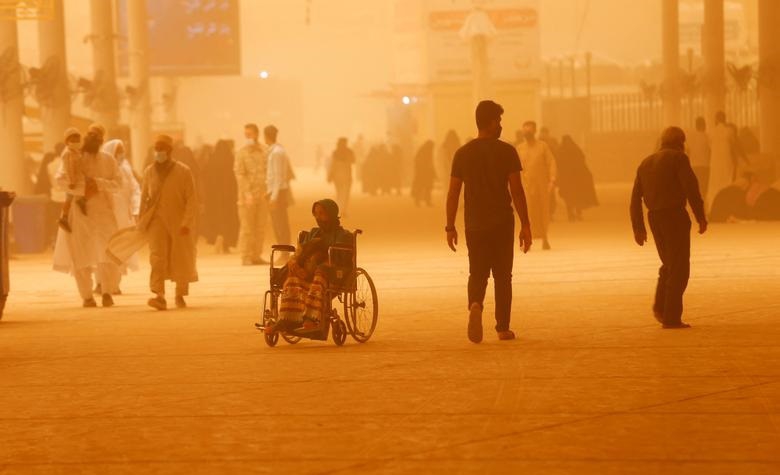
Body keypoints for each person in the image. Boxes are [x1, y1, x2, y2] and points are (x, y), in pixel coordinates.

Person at [446, 100, 533, 344]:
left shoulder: (462, 154)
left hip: (474, 224)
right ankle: (503, 328)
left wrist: (449, 226)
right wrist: (526, 224)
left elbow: (453, 192)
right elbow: (516, 191)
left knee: (477, 272)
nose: (501, 125)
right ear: (493, 122)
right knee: (503, 276)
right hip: (502, 223)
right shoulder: (507, 152)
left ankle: (475, 303)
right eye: (500, 120)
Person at [630, 126, 707, 329]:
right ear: (681, 142)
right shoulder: (679, 159)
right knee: (679, 268)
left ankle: (660, 307)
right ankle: (671, 317)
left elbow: (635, 198)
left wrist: (638, 227)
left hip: (655, 218)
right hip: (674, 217)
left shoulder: (646, 162)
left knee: (669, 264)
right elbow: (691, 187)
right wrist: (701, 216)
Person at [52, 125, 122, 308]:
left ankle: (106, 292)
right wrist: (83, 188)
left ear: (102, 140)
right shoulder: (73, 157)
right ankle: (87, 296)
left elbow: (118, 184)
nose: (93, 139)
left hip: (103, 212)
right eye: (90, 135)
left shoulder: (108, 160)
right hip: (79, 212)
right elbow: (60, 180)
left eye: (96, 136)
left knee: (107, 253)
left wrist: (97, 184)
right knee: (80, 255)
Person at [265, 199, 353, 336]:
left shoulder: (343, 235)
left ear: (331, 214)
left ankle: (310, 318)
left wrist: (320, 258)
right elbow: (300, 254)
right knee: (291, 278)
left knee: (320, 272)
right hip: (307, 273)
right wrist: (296, 265)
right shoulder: (313, 233)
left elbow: (340, 259)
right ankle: (287, 319)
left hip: (330, 275)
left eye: (322, 214)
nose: (318, 217)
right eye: (316, 214)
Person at [140, 135, 199, 311]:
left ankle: (180, 294)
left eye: (162, 150)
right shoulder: (149, 171)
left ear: (169, 152)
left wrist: (187, 222)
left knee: (180, 257)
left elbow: (191, 200)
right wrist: (142, 220)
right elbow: (144, 198)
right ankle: (159, 295)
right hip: (157, 221)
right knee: (157, 257)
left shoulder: (183, 171)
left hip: (179, 221)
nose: (158, 153)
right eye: (156, 150)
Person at [100, 139, 141, 293]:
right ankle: (103, 283)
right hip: (106, 215)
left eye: (122, 151)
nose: (121, 155)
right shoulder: (103, 169)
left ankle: (115, 283)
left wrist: (136, 208)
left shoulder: (126, 168)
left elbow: (134, 188)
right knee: (105, 250)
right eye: (118, 152)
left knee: (120, 249)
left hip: (123, 215)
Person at [516, 121, 556, 250]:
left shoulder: (542, 146)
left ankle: (545, 238)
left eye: (529, 131)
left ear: (534, 131)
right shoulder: (520, 149)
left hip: (541, 185)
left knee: (543, 212)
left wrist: (552, 179)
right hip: (526, 186)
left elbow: (551, 162)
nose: (526, 133)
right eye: (524, 131)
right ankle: (526, 240)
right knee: (526, 214)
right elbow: (515, 168)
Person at [235, 123, 269, 266]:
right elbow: (240, 174)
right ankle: (246, 256)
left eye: (250, 134)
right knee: (247, 228)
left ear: (256, 134)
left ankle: (256, 255)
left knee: (260, 228)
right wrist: (247, 193)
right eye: (246, 135)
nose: (247, 137)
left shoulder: (265, 151)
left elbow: (269, 171)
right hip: (246, 198)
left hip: (263, 196)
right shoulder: (241, 152)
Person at [202, 139, 239, 253]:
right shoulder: (230, 160)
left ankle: (217, 238)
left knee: (216, 219)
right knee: (228, 220)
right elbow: (235, 179)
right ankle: (226, 245)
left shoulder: (212, 160)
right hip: (228, 197)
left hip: (214, 198)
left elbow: (206, 179)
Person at [556, 135, 599, 222]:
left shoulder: (561, 150)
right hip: (576, 179)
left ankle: (570, 215)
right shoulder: (575, 149)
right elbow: (582, 160)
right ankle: (578, 213)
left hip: (566, 179)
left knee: (568, 198)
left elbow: (558, 164)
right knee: (577, 197)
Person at [265, 125, 293, 247]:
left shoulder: (276, 153)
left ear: (266, 136)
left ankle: (284, 251)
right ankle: (283, 250)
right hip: (278, 191)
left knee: (280, 224)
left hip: (278, 193)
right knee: (280, 223)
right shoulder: (278, 150)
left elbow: (277, 176)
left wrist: (273, 197)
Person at [56, 128, 88, 233]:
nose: (76, 142)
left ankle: (80, 201)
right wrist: (71, 182)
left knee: (72, 196)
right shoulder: (67, 153)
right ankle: (64, 218)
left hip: (78, 178)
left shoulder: (75, 151)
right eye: (73, 140)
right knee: (69, 198)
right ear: (67, 141)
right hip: (71, 180)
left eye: (77, 139)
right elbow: (69, 169)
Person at [328, 137, 355, 214]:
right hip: (347, 174)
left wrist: (330, 175)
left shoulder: (335, 152)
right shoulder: (349, 151)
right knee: (346, 193)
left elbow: (332, 165)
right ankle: (343, 209)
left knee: (339, 193)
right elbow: (353, 160)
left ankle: (340, 209)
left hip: (337, 176)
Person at [687, 117, 711, 201]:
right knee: (704, 186)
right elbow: (711, 150)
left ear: (696, 126)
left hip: (694, 165)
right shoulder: (707, 137)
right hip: (705, 165)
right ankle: (703, 202)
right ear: (703, 125)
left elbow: (687, 151)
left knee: (696, 185)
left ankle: (696, 201)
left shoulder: (690, 138)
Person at [411, 140, 436, 206]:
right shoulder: (424, 151)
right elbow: (420, 162)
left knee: (427, 187)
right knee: (422, 187)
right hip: (422, 173)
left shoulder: (423, 151)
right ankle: (419, 201)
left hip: (425, 173)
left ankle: (425, 201)